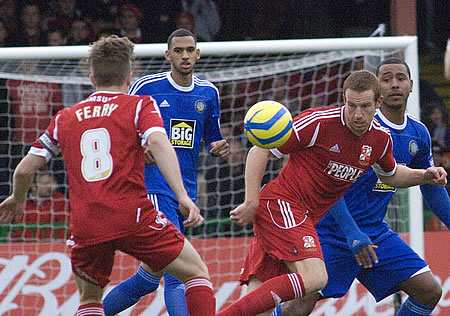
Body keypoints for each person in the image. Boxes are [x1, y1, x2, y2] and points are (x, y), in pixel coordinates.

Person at [0, 35, 216, 316]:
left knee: (90, 300)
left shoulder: (65, 117)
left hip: (87, 224)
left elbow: (24, 169)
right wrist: (182, 195)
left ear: (91, 78)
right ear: (129, 77)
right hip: (133, 215)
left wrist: (18, 198)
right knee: (195, 272)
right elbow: (159, 144)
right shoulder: (139, 105)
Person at [216, 69, 447, 316]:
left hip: (310, 218)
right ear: (344, 99)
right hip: (284, 206)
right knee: (315, 277)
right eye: (352, 105)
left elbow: (390, 175)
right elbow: (260, 149)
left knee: (259, 305)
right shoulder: (319, 123)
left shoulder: (380, 138)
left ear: (377, 103)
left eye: (365, 107)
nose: (358, 115)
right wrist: (251, 201)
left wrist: (423, 175)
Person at [102, 28, 229, 316]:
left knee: (148, 279)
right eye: (179, 50)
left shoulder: (208, 93)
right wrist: (138, 148)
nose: (185, 56)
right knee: (179, 271)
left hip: (185, 190)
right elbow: (120, 126)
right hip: (153, 188)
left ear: (198, 53)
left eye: (190, 50)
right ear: (167, 54)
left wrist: (218, 146)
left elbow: (212, 137)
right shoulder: (147, 87)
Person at [10, 172, 70, 242]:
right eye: (46, 183)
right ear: (33, 187)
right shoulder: (22, 203)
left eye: (51, 182)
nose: (50, 186)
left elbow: (65, 225)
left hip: (55, 245)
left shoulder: (60, 200)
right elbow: (19, 229)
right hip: (28, 245)